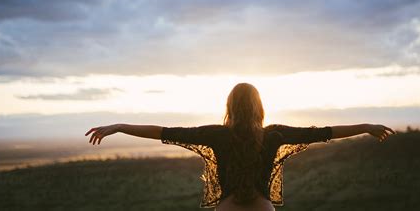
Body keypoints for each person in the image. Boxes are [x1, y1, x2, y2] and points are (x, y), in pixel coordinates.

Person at [85, 83, 395, 210]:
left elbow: (163, 132)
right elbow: (325, 132)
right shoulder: (275, 135)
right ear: (260, 106)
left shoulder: (217, 135)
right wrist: (365, 127)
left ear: (230, 106)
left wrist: (120, 126)